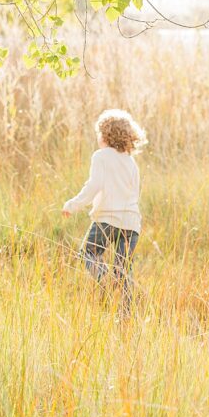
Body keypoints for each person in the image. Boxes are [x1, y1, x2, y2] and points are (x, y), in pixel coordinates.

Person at [62, 109, 147, 311]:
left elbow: (94, 185)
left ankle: (105, 279)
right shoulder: (130, 161)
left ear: (105, 135)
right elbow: (134, 192)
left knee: (87, 253)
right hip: (131, 223)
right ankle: (126, 313)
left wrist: (72, 205)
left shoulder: (101, 156)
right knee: (123, 270)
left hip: (107, 220)